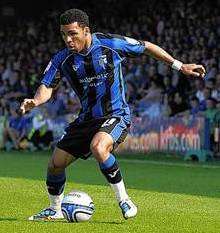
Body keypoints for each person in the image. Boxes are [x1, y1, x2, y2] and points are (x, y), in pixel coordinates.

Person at [20, 9, 206, 221]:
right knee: (55, 164)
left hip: (115, 114)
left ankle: (124, 199)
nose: (68, 39)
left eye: (72, 33)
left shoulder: (110, 44)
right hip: (87, 119)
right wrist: (35, 101)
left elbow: (146, 46)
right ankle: (54, 209)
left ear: (86, 30)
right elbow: (47, 86)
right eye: (63, 35)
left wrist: (179, 66)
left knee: (99, 147)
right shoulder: (62, 59)